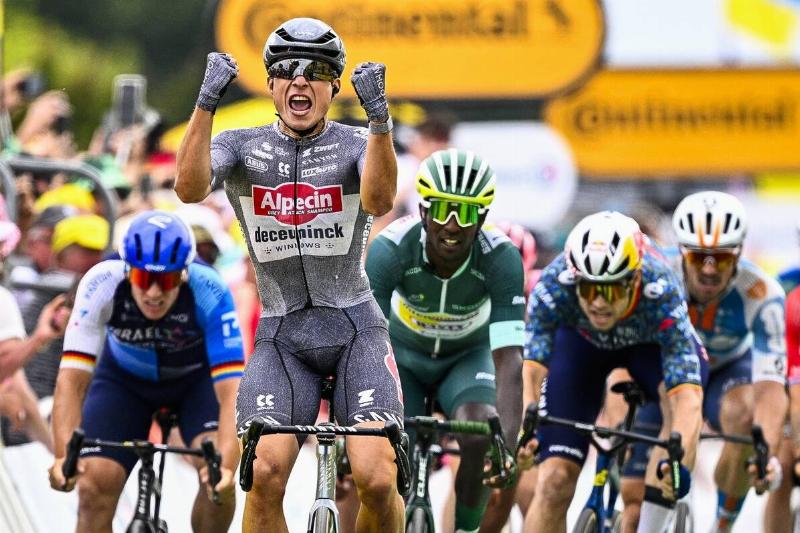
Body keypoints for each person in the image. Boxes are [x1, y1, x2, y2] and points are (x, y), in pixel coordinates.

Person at [174, 17, 405, 532]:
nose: (301, 80)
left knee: (376, 479)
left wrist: (380, 121)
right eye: (287, 70)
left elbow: (380, 199)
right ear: (272, 84)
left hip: (355, 332)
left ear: (333, 86)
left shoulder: (354, 144)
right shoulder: (240, 144)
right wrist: (206, 102)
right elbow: (188, 189)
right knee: (263, 473)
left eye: (316, 70)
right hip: (282, 336)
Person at [47, 210, 243, 533]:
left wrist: (226, 466)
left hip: (195, 383)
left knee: (217, 479)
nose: (153, 293)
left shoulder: (210, 287)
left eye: (165, 281)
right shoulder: (101, 282)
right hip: (123, 383)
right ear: (127, 272)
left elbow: (233, 389)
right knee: (94, 483)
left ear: (183, 274)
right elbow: (71, 381)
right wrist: (61, 457)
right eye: (142, 279)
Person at [519, 211, 708, 533]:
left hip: (647, 347)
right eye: (589, 290)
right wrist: (526, 429)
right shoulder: (555, 283)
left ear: (635, 279)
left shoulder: (660, 288)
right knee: (553, 482)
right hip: (582, 346)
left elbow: (687, 397)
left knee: (673, 435)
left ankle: (652, 522)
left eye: (610, 290)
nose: (598, 303)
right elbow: (532, 369)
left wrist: (677, 459)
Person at [365, 149, 523, 532]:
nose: (451, 225)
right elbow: (365, 342)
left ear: (482, 218)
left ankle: (465, 528)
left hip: (466, 361)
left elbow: (509, 359)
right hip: (402, 357)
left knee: (480, 434)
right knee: (382, 447)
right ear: (422, 211)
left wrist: (506, 443)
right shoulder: (390, 249)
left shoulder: (502, 259)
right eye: (442, 210)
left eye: (466, 213)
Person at [620, 191, 787, 533]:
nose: (709, 270)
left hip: (726, 371)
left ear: (739, 254)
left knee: (744, 414)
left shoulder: (762, 292)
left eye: (721, 259)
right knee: (635, 504)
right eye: (698, 258)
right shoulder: (656, 273)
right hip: (666, 371)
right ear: (681, 252)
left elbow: (771, 387)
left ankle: (722, 524)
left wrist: (764, 450)